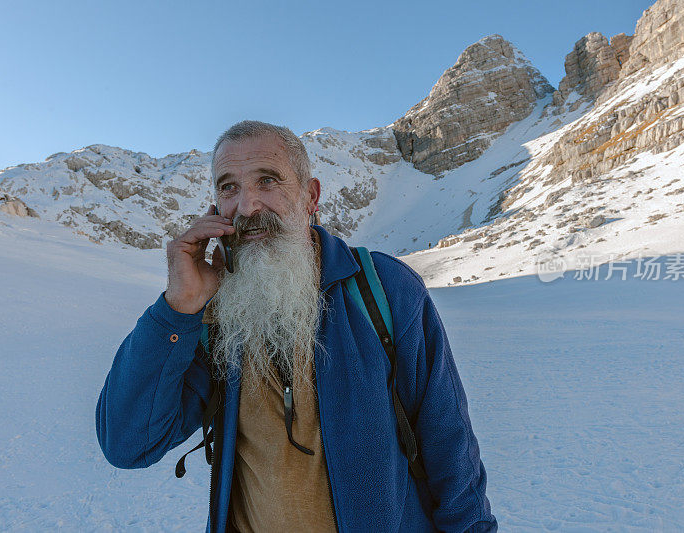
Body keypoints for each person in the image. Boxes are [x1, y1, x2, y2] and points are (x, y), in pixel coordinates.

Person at [95, 120, 497, 533]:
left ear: (310, 195)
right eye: (228, 187)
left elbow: (449, 445)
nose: (248, 207)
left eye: (267, 180)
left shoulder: (383, 290)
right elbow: (128, 444)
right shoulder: (218, 313)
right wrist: (178, 309)